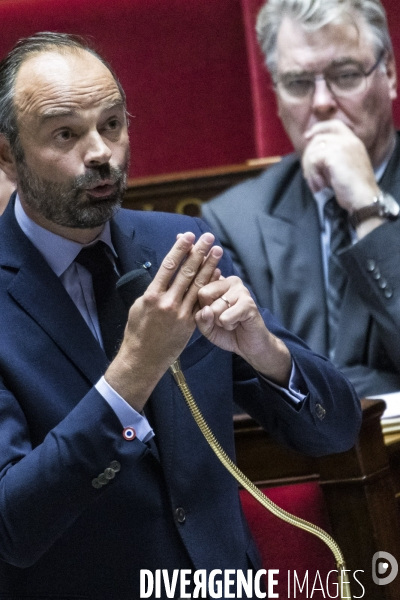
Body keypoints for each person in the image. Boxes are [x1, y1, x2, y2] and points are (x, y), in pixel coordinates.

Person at [0, 32, 360, 598]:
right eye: (66, 133)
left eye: (112, 125)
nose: (99, 152)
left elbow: (334, 428)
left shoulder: (177, 246)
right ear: (7, 155)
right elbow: (12, 526)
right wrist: (132, 374)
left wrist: (264, 350)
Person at [202, 0, 400, 400]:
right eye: (298, 83)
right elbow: (251, 392)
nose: (322, 102)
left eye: (345, 75)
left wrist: (367, 208)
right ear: (275, 94)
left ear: (390, 73)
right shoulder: (236, 221)